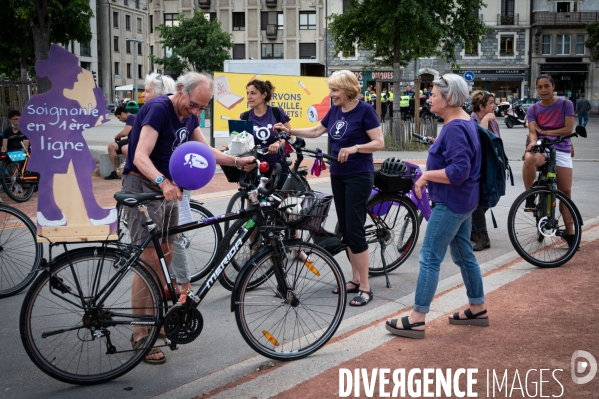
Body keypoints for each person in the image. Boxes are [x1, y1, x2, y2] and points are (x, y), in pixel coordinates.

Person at [124, 72, 255, 364]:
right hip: (145, 186)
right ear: (181, 90)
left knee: (165, 256)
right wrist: (163, 182)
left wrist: (235, 162)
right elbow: (139, 156)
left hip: (168, 190)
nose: (195, 112)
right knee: (148, 259)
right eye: (194, 105)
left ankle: (154, 322)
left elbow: (204, 151)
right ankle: (139, 333)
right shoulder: (159, 108)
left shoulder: (190, 116)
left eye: (201, 108)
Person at [385, 74, 487, 339]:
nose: (429, 98)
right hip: (465, 200)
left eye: (434, 94)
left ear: (449, 98)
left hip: (451, 202)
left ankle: (417, 318)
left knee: (430, 257)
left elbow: (459, 171)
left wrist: (427, 175)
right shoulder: (465, 122)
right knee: (464, 255)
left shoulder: (454, 127)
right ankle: (477, 308)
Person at [275, 70, 384, 307]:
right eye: (331, 89)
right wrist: (289, 130)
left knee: (354, 229)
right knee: (345, 228)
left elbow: (379, 142)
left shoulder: (364, 110)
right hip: (339, 174)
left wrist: (355, 148)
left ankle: (365, 287)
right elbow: (316, 131)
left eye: (335, 90)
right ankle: (355, 279)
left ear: (348, 89)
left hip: (358, 175)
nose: (331, 94)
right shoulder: (335, 109)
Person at [524, 74, 576, 247]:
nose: (543, 90)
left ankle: (570, 232)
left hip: (561, 148)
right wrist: (533, 142)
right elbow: (533, 131)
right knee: (529, 158)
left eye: (547, 86)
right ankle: (529, 196)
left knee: (565, 193)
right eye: (540, 87)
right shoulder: (533, 109)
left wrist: (545, 132)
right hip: (543, 147)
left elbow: (568, 129)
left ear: (553, 87)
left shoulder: (565, 104)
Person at [240, 79, 292, 187]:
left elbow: (289, 135)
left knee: (278, 199)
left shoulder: (276, 112)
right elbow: (240, 141)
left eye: (253, 93)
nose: (249, 96)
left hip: (276, 165)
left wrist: (278, 143)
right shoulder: (245, 117)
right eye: (247, 93)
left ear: (264, 95)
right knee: (253, 197)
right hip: (254, 165)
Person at [468, 90, 500, 251]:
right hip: (477, 166)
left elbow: (496, 142)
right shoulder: (472, 120)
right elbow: (478, 142)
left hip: (490, 165)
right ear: (481, 106)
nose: (494, 106)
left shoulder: (493, 121)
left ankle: (475, 230)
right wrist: (485, 122)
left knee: (488, 198)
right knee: (475, 202)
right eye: (491, 103)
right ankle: (482, 236)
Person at [105, 107, 134, 180]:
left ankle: (126, 171)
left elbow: (125, 132)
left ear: (122, 113)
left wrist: (117, 136)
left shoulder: (131, 117)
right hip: (129, 140)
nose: (120, 120)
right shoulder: (130, 119)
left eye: (119, 117)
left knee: (125, 149)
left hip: (134, 142)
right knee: (111, 146)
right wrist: (126, 139)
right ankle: (116, 171)